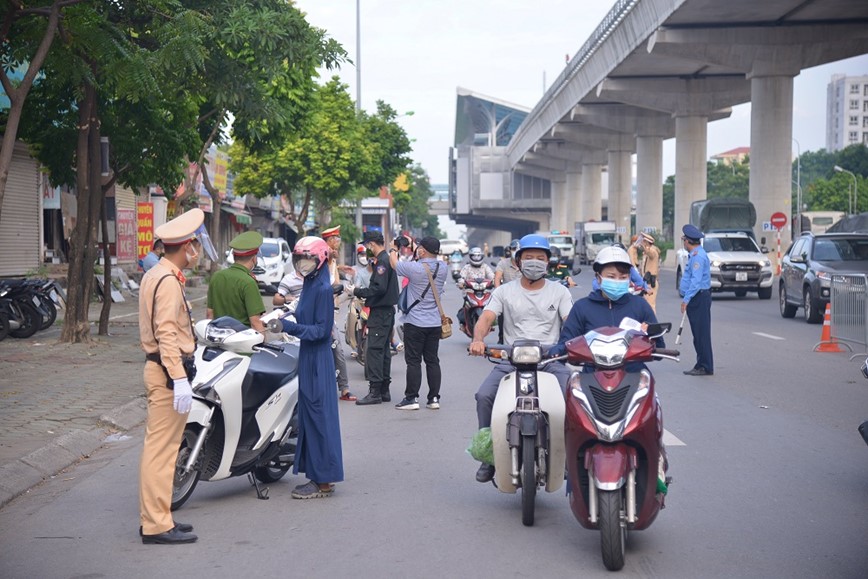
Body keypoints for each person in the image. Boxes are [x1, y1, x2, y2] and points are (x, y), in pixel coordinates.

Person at [468, 234, 573, 483]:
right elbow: (486, 318)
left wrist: (572, 343)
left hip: (550, 359)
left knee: (573, 395)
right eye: (529, 257)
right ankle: (488, 454)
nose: (534, 262)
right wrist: (478, 339)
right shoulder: (505, 291)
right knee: (484, 396)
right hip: (512, 358)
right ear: (518, 262)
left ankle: (571, 454)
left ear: (548, 262)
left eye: (540, 257)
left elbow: (571, 322)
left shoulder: (559, 292)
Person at [138, 208, 207, 544]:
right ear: (185, 247)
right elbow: (166, 333)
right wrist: (178, 377)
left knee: (165, 450)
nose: (195, 251)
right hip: (166, 372)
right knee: (161, 452)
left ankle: (160, 516)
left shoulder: (158, 274)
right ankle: (155, 525)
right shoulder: (166, 282)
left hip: (165, 370)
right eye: (193, 245)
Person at [277, 236, 344, 498]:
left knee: (319, 418)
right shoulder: (311, 282)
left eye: (308, 260)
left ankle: (323, 481)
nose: (303, 265)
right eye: (300, 260)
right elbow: (304, 313)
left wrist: (289, 327)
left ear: (320, 260)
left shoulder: (323, 289)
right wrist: (284, 317)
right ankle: (317, 475)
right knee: (310, 416)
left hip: (317, 359)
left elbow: (320, 330)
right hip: (307, 356)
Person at [551, 245, 663, 358]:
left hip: (633, 370)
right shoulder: (582, 307)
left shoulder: (640, 305)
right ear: (598, 278)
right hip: (592, 372)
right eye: (611, 276)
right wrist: (555, 352)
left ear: (629, 279)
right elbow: (566, 344)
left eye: (623, 277)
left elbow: (659, 347)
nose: (617, 281)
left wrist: (647, 335)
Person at [390, 236, 448, 410]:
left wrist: (394, 247)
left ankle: (412, 398)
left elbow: (394, 263)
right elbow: (424, 257)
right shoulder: (443, 267)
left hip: (415, 322)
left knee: (414, 361)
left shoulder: (414, 269)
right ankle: (433, 399)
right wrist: (418, 248)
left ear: (422, 251)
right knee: (432, 360)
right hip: (434, 323)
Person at [348, 230, 399, 405]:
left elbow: (378, 288)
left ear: (371, 244)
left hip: (380, 312)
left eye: (367, 246)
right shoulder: (385, 260)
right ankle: (384, 390)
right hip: (386, 311)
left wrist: (356, 291)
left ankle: (375, 392)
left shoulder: (382, 262)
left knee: (375, 351)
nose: (367, 250)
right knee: (383, 351)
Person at [317, 225, 356, 401]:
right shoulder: (320, 259)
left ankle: (344, 388)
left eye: (339, 240)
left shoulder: (332, 261)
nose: (338, 244)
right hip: (318, 312)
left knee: (336, 349)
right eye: (336, 240)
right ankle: (343, 388)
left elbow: (336, 285)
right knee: (336, 349)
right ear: (329, 242)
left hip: (329, 312)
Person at [206, 231, 266, 333]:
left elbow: (209, 314)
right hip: (242, 341)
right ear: (254, 258)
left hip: (218, 338)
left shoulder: (216, 276)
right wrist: (263, 343)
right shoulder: (248, 282)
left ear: (234, 256)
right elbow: (255, 322)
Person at [679, 224, 713, 376]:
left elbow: (696, 281)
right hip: (697, 297)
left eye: (684, 240)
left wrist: (686, 299)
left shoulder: (698, 256)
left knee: (701, 334)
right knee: (698, 335)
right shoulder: (695, 254)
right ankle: (701, 364)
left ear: (688, 241)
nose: (683, 243)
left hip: (698, 297)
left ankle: (705, 366)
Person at [457, 246, 495, 331]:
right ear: (470, 257)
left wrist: (494, 281)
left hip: (484, 292)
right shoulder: (467, 267)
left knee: (491, 307)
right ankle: (463, 324)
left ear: (482, 256)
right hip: (469, 291)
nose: (476, 258)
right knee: (465, 307)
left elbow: (492, 276)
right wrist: (461, 283)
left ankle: (490, 323)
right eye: (474, 256)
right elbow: (461, 277)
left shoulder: (485, 267)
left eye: (478, 256)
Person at [639, 233, 660, 312]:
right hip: (646, 281)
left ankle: (652, 322)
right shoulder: (647, 252)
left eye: (643, 241)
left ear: (647, 242)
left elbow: (650, 253)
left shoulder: (653, 251)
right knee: (646, 303)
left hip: (651, 281)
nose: (642, 243)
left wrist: (645, 247)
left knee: (650, 304)